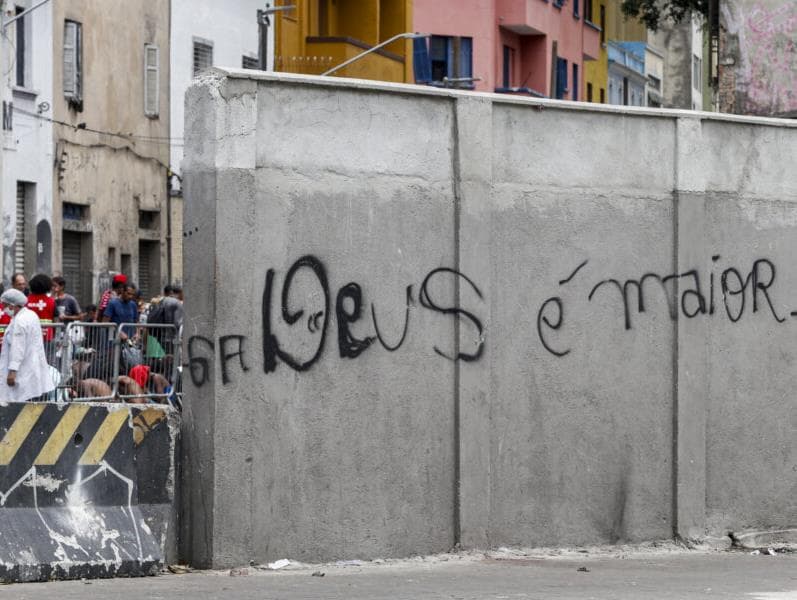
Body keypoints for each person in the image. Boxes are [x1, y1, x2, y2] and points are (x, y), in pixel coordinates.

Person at [0, 289, 54, 402]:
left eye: (4, 305)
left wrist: (12, 372)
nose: (4, 309)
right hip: (32, 366)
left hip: (22, 370)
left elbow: (17, 348)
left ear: (12, 306)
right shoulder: (31, 315)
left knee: (19, 403)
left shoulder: (19, 321)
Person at [26, 273, 57, 345]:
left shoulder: (26, 301)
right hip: (47, 337)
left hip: (29, 336)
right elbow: (56, 321)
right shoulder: (51, 301)